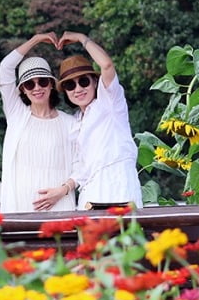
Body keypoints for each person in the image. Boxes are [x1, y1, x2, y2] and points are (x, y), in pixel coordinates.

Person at [56, 31, 143, 208]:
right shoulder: (77, 121)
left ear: (95, 82)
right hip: (90, 194)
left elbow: (107, 65)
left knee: (125, 235)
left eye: (83, 81)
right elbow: (82, 169)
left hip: (119, 187)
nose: (78, 89)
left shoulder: (110, 101)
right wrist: (63, 189)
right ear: (65, 91)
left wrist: (81, 38)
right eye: (70, 85)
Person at [0, 33, 78, 213]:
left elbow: (82, 166)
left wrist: (63, 190)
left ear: (51, 84)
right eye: (29, 84)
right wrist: (35, 40)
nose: (37, 88)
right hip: (20, 206)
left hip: (61, 205)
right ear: (22, 91)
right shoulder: (16, 115)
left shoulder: (70, 123)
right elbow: (5, 68)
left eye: (42, 81)